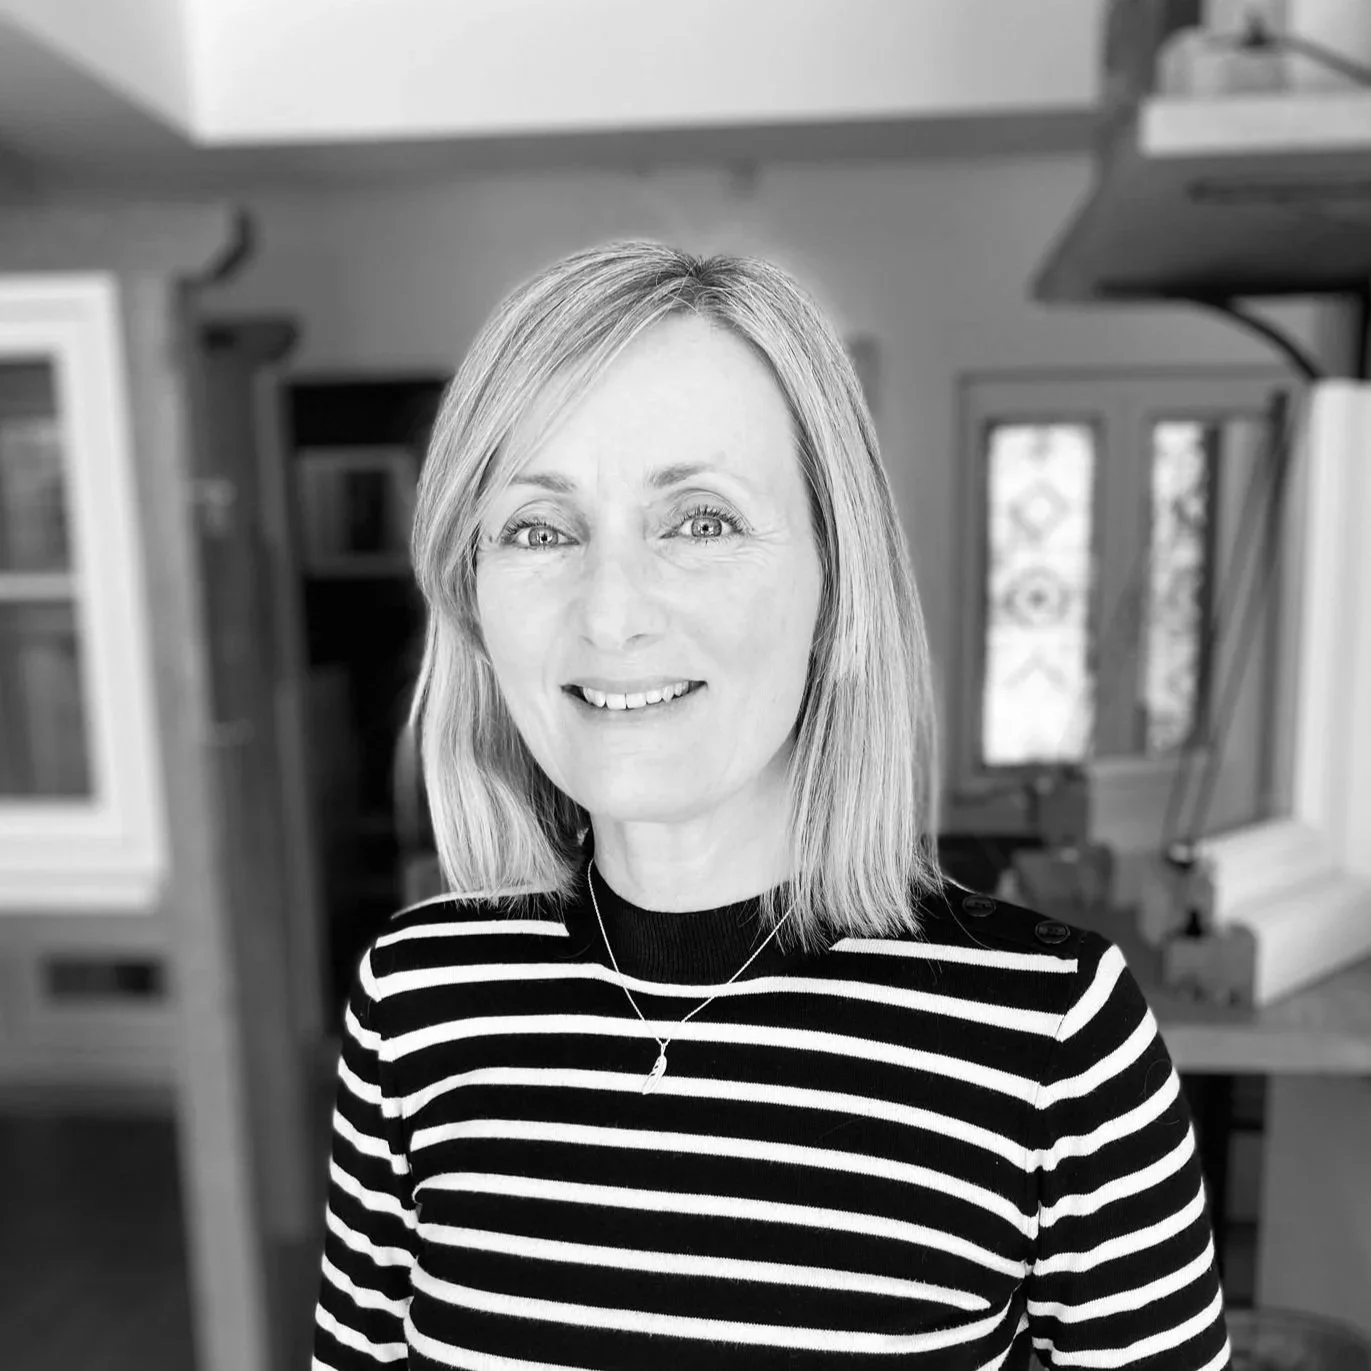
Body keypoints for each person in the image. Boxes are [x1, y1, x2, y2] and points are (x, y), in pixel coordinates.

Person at [312, 241, 1230, 1370]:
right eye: (540, 530)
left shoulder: (1050, 1036)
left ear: (837, 590)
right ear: (472, 599)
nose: (611, 616)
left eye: (699, 521)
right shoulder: (418, 1003)